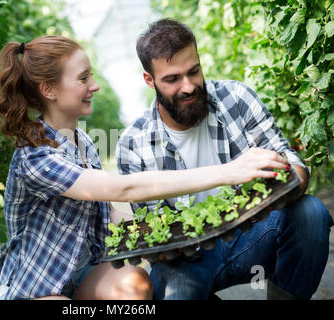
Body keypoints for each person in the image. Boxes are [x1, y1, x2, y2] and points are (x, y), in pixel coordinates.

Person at [0, 35, 291, 300]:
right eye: (83, 79)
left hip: (83, 272)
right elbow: (123, 189)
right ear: (49, 90)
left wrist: (157, 230)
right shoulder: (35, 157)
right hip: (36, 287)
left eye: (91, 76)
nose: (94, 86)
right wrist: (229, 172)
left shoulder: (81, 141)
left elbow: (109, 208)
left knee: (135, 286)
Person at [116, 18, 333, 300]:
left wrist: (291, 176)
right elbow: (154, 228)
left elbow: (290, 163)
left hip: (253, 233)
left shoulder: (236, 98)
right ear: (150, 80)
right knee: (175, 292)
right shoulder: (133, 144)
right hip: (190, 261)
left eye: (194, 71)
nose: (189, 86)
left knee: (310, 212)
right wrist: (169, 246)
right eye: (172, 79)